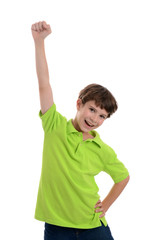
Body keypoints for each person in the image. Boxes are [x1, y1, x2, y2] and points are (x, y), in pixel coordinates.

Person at [31, 21, 130, 240]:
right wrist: (39, 43)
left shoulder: (102, 149)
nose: (94, 118)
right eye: (92, 109)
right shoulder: (54, 126)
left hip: (93, 225)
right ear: (79, 104)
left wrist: (104, 206)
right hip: (57, 227)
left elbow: (122, 177)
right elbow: (44, 84)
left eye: (102, 116)